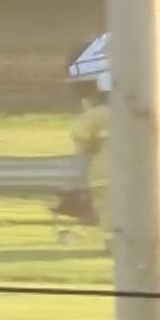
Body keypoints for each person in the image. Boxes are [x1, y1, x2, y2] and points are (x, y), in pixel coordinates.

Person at [68, 74, 111, 243]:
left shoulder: (95, 116)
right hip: (139, 178)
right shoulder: (135, 113)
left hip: (104, 175)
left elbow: (82, 143)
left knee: (108, 210)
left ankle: (112, 240)